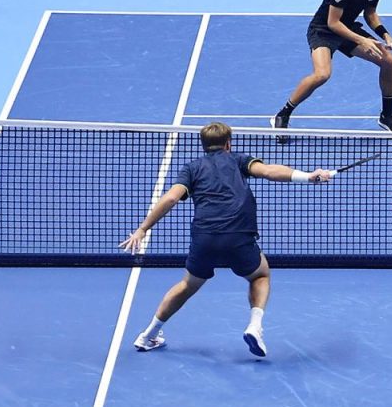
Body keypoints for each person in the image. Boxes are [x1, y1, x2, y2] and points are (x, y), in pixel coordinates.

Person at [120, 121, 332, 357]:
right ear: (228, 144)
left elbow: (170, 199)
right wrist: (308, 177)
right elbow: (270, 171)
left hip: (204, 238)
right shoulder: (239, 161)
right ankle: (255, 326)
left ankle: (148, 335)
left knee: (188, 285)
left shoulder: (191, 169)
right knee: (260, 274)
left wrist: (142, 229)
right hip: (238, 237)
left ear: (203, 146)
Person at [274, 0, 392, 138]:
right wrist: (363, 40)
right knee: (322, 74)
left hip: (348, 27)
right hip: (323, 30)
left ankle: (386, 115)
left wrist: (385, 34)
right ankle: (283, 114)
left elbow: (370, 14)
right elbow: (333, 23)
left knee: (389, 62)